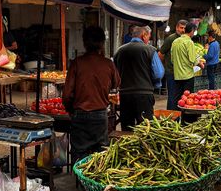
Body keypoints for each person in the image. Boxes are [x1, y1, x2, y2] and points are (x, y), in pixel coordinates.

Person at [62, 25, 120, 164]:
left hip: (80, 114)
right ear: (102, 43)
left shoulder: (77, 63)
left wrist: (71, 110)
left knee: (79, 153)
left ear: (84, 42)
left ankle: (81, 183)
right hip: (100, 115)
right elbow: (116, 83)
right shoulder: (108, 64)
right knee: (100, 154)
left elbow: (67, 95)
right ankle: (96, 184)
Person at [114, 25, 164, 129]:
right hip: (144, 95)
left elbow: (115, 73)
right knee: (145, 128)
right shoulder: (150, 50)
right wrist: (155, 84)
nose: (148, 40)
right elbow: (158, 73)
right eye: (149, 37)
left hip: (125, 95)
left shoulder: (119, 51)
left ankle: (127, 145)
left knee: (127, 128)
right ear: (144, 35)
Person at [170, 24, 204, 105]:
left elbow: (172, 60)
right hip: (187, 77)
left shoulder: (175, 41)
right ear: (192, 31)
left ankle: (177, 116)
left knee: (178, 98)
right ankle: (186, 117)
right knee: (188, 99)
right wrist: (200, 64)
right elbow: (192, 59)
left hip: (177, 76)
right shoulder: (189, 42)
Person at [158, 20, 188, 109]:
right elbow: (160, 54)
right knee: (172, 96)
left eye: (184, 28)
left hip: (181, 73)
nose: (182, 30)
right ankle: (171, 118)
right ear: (176, 28)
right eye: (181, 28)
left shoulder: (186, 39)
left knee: (179, 97)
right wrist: (166, 66)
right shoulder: (171, 39)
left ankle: (177, 117)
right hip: (171, 72)